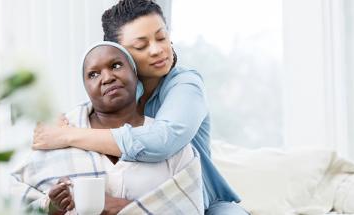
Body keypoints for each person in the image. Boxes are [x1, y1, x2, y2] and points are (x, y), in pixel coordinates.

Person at [33, 0, 247, 214]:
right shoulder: (118, 92)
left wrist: (67, 135)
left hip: (205, 205)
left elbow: (163, 139)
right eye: (141, 46)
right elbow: (84, 118)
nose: (158, 50)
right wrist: (56, 126)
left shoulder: (185, 84)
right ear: (119, 52)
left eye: (162, 37)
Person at [12, 41, 203, 215]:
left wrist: (123, 208)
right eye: (93, 74)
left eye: (116, 65)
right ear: (86, 88)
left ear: (136, 75)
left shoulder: (171, 145)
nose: (107, 77)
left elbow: (191, 207)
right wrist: (51, 207)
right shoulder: (54, 138)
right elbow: (13, 203)